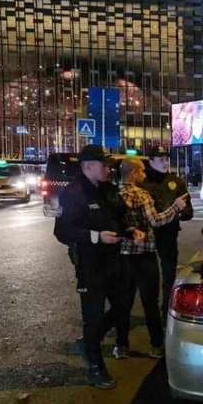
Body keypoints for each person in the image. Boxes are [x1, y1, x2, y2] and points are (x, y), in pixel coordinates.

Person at [54, 145, 142, 389]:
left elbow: (119, 216)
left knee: (123, 305)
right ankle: (94, 367)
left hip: (115, 259)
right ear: (88, 166)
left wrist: (129, 230)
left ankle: (88, 342)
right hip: (90, 263)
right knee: (92, 316)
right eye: (103, 165)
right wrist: (96, 236)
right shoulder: (73, 193)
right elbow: (62, 231)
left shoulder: (108, 189)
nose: (108, 168)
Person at [116, 158, 189, 359]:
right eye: (141, 171)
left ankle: (121, 345)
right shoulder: (141, 194)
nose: (145, 174)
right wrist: (175, 207)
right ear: (133, 173)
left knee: (123, 303)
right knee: (150, 302)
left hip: (121, 256)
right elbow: (156, 221)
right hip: (144, 257)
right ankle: (156, 345)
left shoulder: (112, 194)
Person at [141, 146, 194, 322]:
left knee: (169, 273)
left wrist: (179, 213)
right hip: (147, 235)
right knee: (149, 275)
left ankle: (166, 312)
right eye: (160, 159)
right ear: (151, 161)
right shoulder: (143, 182)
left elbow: (188, 211)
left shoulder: (175, 182)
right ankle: (152, 313)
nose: (164, 163)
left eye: (166, 159)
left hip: (169, 233)